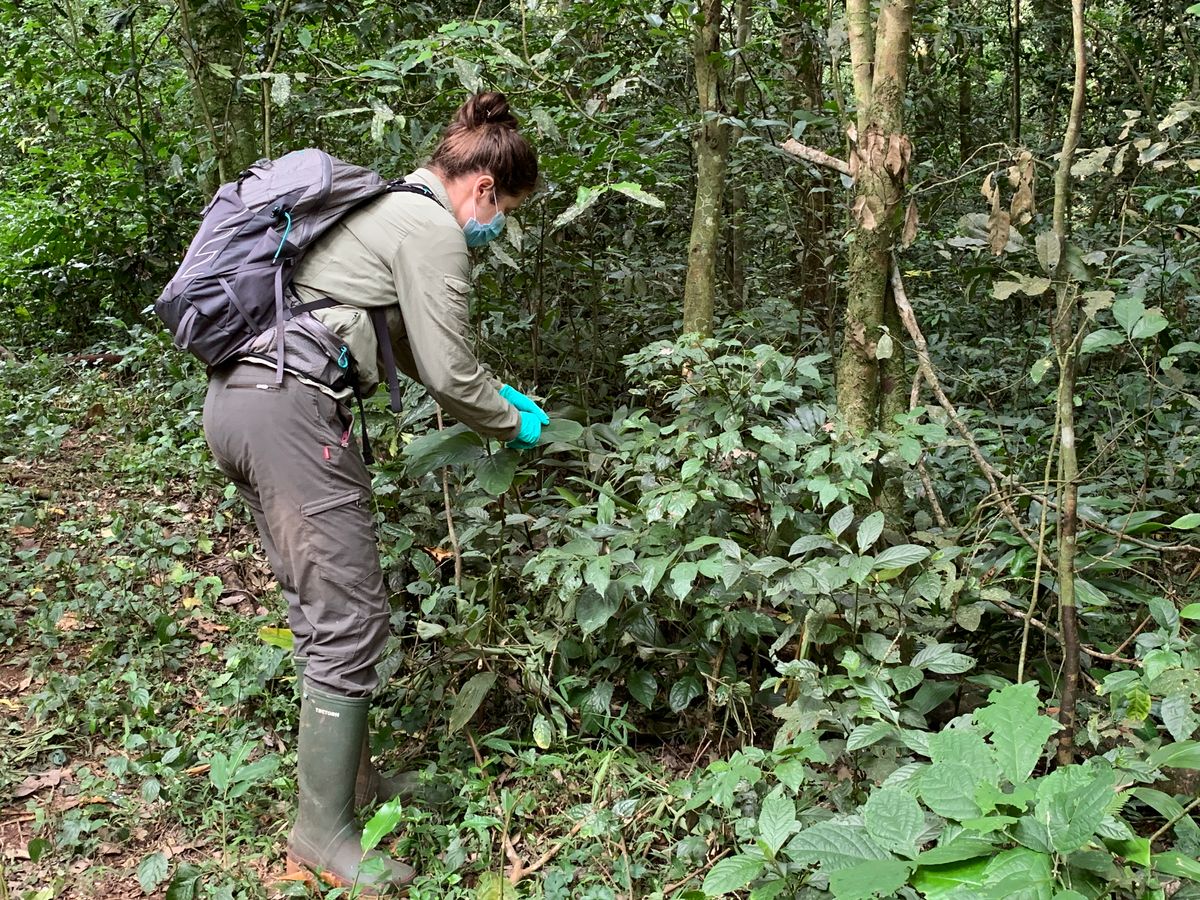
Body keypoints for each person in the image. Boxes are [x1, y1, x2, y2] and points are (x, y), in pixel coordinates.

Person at [201, 92, 546, 893]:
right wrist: (512, 422)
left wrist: (495, 396)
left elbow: (424, 354)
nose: (493, 230)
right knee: (350, 616)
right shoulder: (429, 228)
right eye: (504, 213)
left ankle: (352, 790)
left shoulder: (383, 209)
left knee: (327, 608)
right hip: (289, 411)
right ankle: (321, 832)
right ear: (484, 188)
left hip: (245, 404)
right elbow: (455, 374)